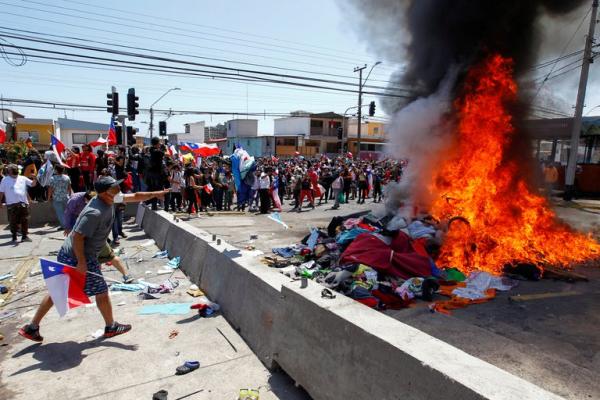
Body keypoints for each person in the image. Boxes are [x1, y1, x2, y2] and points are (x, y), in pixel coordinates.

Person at [18, 176, 167, 342]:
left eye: (118, 187)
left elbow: (135, 196)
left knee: (58, 291)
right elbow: (77, 237)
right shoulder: (94, 212)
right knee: (101, 290)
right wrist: (81, 262)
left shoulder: (110, 198)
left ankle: (32, 327)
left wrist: (157, 193)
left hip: (75, 254)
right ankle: (111, 327)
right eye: (114, 188)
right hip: (78, 256)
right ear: (104, 193)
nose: (119, 191)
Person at [63, 191, 132, 284]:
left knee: (108, 257)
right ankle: (103, 278)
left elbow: (79, 234)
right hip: (95, 240)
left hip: (94, 240)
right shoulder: (97, 206)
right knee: (101, 259)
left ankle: (125, 275)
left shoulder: (94, 210)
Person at [0, 164, 38, 242]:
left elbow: (33, 184)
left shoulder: (23, 178)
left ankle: (24, 236)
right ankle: (14, 236)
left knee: (25, 220)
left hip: (23, 203)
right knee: (13, 221)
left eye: (9, 169)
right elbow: (1, 192)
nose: (8, 170)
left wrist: (35, 178)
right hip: (11, 204)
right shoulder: (5, 180)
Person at [47, 164, 72, 229]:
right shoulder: (67, 177)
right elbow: (69, 187)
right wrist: (70, 195)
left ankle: (64, 226)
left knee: (60, 213)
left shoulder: (52, 178)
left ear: (56, 170)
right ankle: (69, 224)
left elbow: (50, 189)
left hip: (57, 198)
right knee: (67, 212)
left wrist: (49, 197)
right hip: (66, 197)